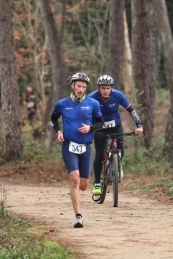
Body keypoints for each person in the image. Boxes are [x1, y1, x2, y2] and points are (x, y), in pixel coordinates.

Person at [50, 72, 104, 228]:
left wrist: (90, 127)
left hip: (86, 146)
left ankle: (79, 188)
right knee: (74, 177)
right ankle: (78, 216)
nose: (81, 89)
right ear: (73, 86)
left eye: (84, 87)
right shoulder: (62, 103)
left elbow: (100, 123)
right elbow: (53, 119)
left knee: (83, 185)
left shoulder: (92, 103)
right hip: (69, 145)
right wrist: (58, 132)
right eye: (78, 86)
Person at [88, 75, 143, 195]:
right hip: (99, 128)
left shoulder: (118, 95)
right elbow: (84, 113)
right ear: (99, 88)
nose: (105, 91)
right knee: (99, 155)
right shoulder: (92, 98)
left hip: (115, 126)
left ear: (111, 88)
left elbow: (131, 110)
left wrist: (139, 125)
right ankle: (97, 183)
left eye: (108, 88)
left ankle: (117, 164)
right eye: (103, 88)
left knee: (120, 151)